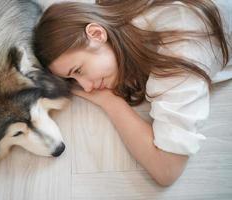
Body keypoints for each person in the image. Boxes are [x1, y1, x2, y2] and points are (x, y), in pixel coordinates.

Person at [33, 0, 232, 186]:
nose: (86, 88)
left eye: (78, 71)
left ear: (96, 34)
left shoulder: (177, 55)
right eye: (74, 80)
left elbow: (167, 169)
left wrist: (109, 102)